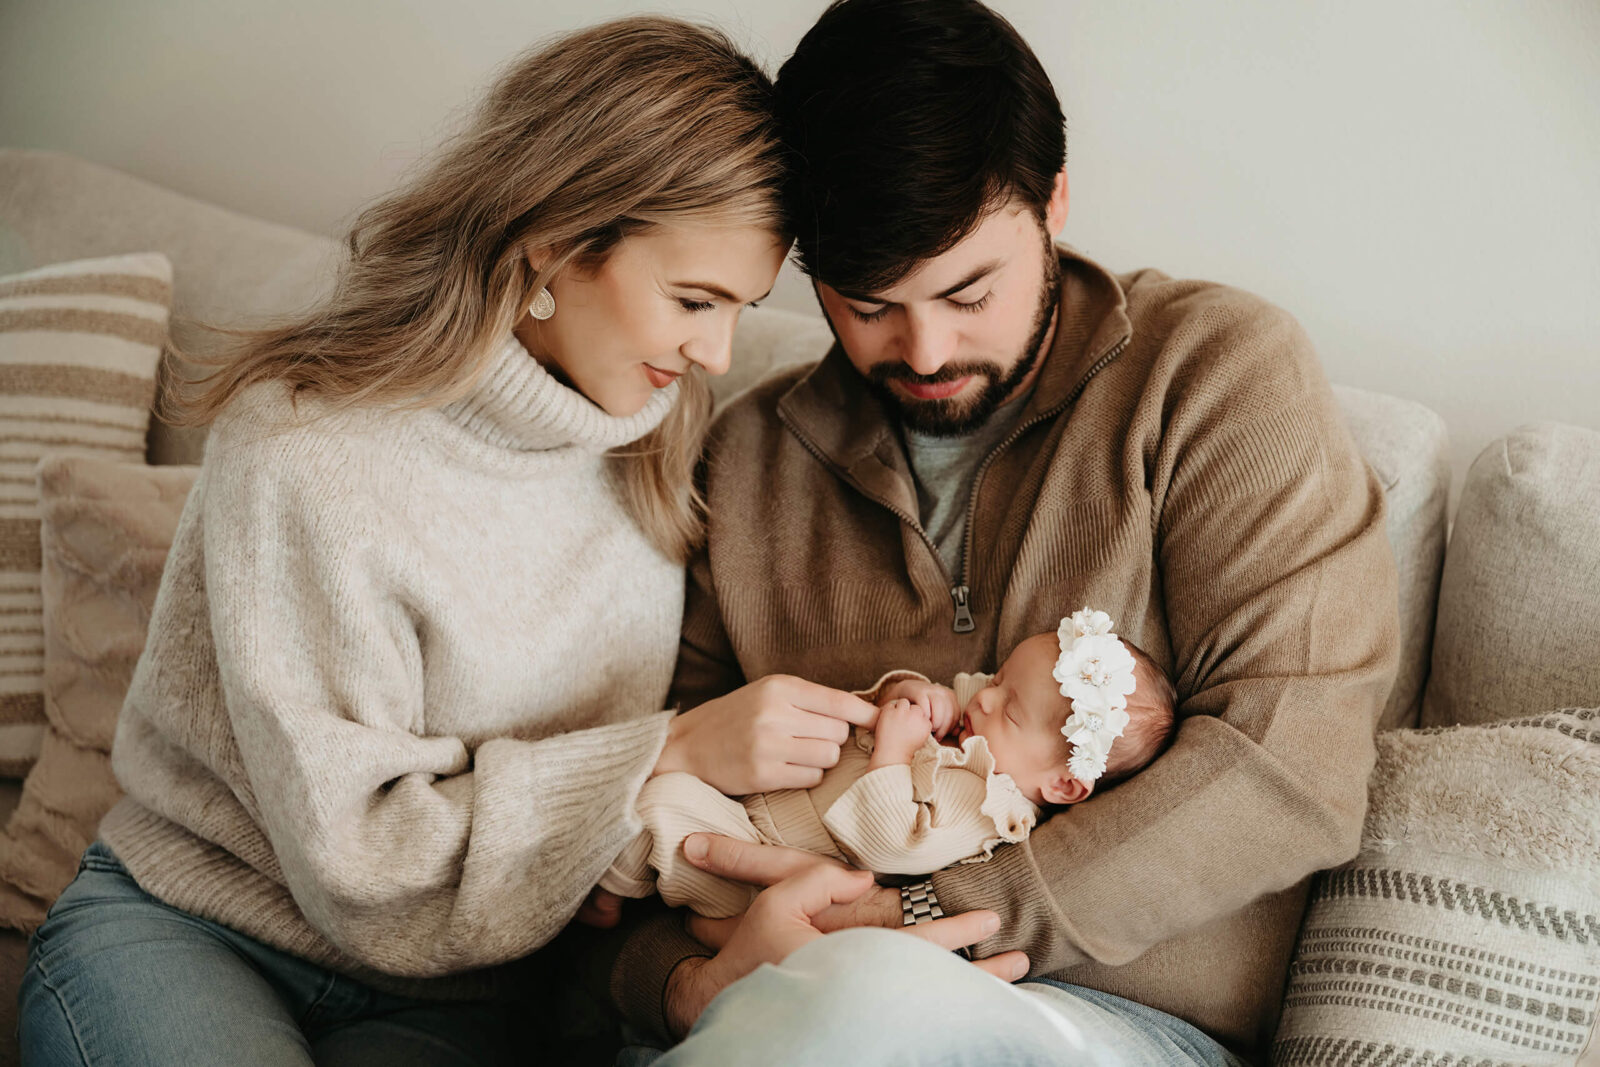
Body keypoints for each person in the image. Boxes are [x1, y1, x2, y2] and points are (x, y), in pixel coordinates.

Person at [14, 17, 968, 1067]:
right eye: (693, 300)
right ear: (550, 243)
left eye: (739, 308)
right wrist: (667, 749)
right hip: (196, 925)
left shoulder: (660, 446)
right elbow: (358, 859)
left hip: (466, 989)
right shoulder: (304, 455)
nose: (716, 351)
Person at [601, 0, 1400, 1063]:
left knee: (865, 1013)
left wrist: (929, 908)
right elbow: (626, 828)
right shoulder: (747, 457)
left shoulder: (1212, 372)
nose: (923, 347)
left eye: (966, 289)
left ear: (1053, 202)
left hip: (1108, 1019)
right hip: (758, 1006)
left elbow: (1290, 769)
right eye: (868, 303)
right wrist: (684, 984)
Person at [602, 610, 1176, 918]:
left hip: (763, 855)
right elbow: (942, 694)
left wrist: (895, 753)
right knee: (655, 782)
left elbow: (895, 844)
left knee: (660, 805)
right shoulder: (982, 724)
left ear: (1063, 784)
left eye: (1011, 708)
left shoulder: (988, 805)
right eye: (1000, 677)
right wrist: (916, 691)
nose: (984, 697)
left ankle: (607, 887)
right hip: (755, 796)